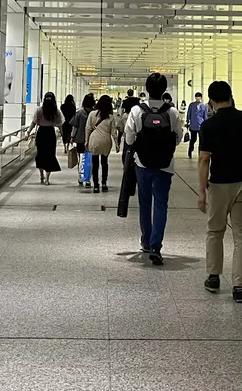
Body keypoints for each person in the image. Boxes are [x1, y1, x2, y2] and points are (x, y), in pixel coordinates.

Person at [197, 80, 242, 303]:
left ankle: (214, 277)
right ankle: (239, 287)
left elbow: (204, 159)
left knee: (215, 231)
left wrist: (202, 192)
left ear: (211, 101)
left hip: (218, 185)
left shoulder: (209, 125)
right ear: (230, 96)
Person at [123, 72, 183, 265]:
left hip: (143, 164)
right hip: (165, 165)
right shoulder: (172, 112)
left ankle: (146, 241)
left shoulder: (136, 111)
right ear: (164, 90)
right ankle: (157, 246)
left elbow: (129, 138)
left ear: (147, 89)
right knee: (161, 204)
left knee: (145, 202)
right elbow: (178, 137)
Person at [85, 94, 120, 193]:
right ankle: (104, 183)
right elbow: (114, 132)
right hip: (106, 141)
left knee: (95, 163)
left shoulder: (92, 114)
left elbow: (88, 128)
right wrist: (117, 144)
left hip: (94, 140)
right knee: (105, 163)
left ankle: (96, 185)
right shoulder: (110, 117)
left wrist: (86, 140)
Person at [29, 92, 63, 185]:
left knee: (41, 154)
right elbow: (59, 124)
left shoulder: (39, 110)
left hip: (41, 133)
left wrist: (28, 132)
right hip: (50, 133)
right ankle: (47, 179)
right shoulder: (56, 111)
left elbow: (34, 122)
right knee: (50, 155)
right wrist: (63, 135)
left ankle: (41, 175)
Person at [72, 92, 95, 187]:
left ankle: (81, 177)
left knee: (81, 159)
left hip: (80, 139)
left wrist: (72, 137)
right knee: (91, 160)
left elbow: (75, 127)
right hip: (92, 139)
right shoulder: (95, 113)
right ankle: (88, 179)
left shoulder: (79, 113)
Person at [185, 91, 208, 158]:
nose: (198, 98)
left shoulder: (203, 105)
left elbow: (205, 115)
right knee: (193, 139)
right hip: (193, 125)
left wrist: (206, 123)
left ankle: (200, 152)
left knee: (201, 140)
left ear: (201, 97)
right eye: (196, 96)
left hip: (201, 125)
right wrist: (187, 121)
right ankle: (190, 150)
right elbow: (189, 113)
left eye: (199, 97)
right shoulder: (192, 105)